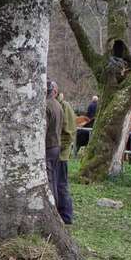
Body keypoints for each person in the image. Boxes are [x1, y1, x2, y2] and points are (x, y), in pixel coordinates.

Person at [56, 89, 76, 224]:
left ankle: (66, 215)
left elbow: (69, 133)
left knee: (61, 185)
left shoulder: (64, 106)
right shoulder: (56, 104)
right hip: (55, 152)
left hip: (61, 155)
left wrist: (60, 149)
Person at [45, 80, 63, 199]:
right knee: (54, 178)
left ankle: (53, 204)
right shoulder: (58, 105)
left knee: (49, 179)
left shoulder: (46, 105)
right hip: (57, 145)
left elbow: (44, 128)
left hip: (49, 145)